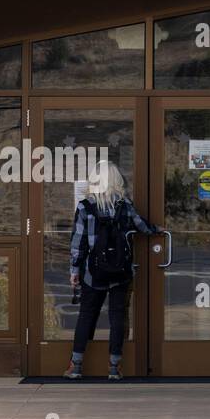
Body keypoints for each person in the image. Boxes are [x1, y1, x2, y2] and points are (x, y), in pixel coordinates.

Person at [66, 160, 157, 381]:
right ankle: (114, 368)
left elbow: (78, 243)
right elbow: (142, 226)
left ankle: (75, 366)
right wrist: (158, 229)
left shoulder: (85, 206)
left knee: (86, 315)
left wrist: (74, 270)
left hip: (92, 272)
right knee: (117, 316)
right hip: (120, 272)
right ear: (116, 180)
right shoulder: (124, 205)